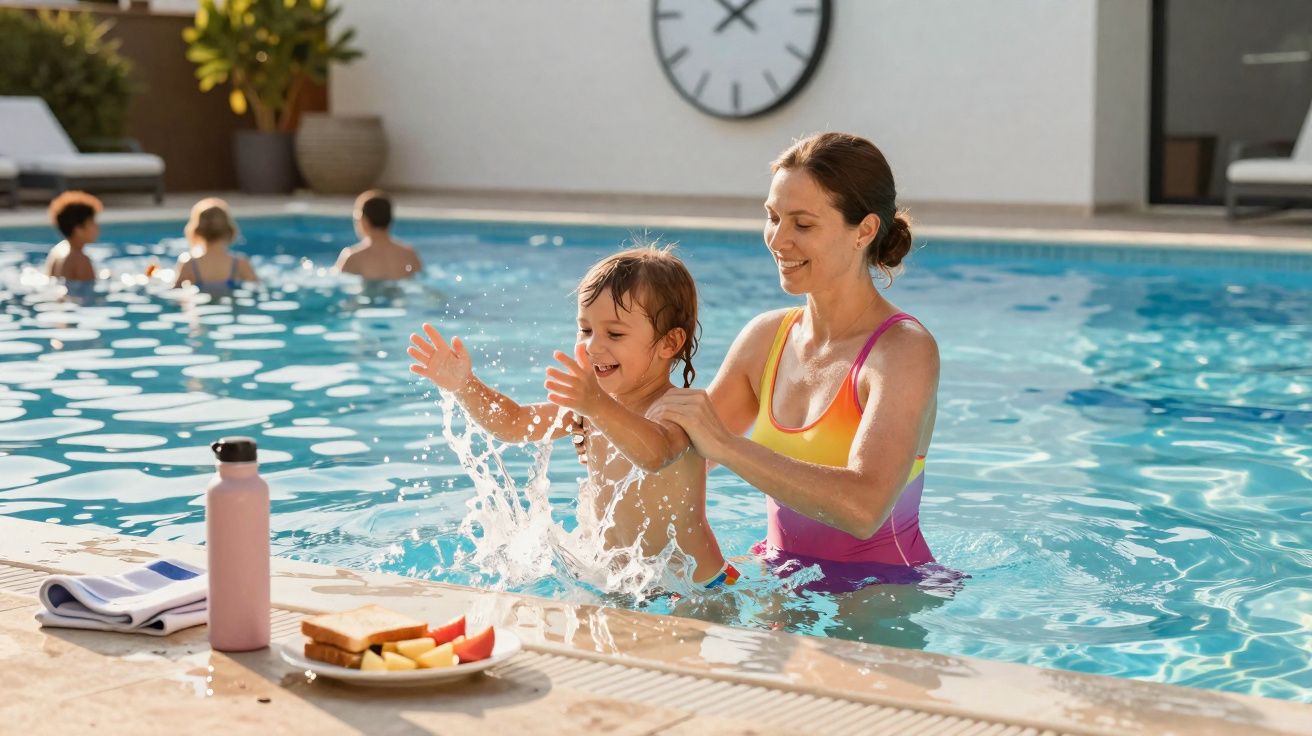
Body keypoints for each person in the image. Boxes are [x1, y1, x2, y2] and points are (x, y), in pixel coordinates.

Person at [650, 132, 942, 591]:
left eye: (803, 225)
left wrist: (726, 445)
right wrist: (599, 412)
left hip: (883, 591)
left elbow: (865, 509)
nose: (779, 240)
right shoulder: (766, 338)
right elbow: (673, 456)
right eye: (772, 218)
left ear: (864, 231)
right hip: (778, 576)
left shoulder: (902, 351)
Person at [408, 246, 736, 589]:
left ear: (669, 343)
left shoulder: (681, 410)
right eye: (585, 330)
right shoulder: (590, 405)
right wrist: (465, 385)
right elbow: (515, 423)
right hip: (620, 583)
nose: (594, 346)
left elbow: (655, 454)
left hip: (697, 590)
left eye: (615, 334)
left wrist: (595, 405)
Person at [334, 190, 423, 281]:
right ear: (389, 219)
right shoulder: (409, 254)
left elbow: (338, 284)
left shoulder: (353, 257)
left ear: (364, 220)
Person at [174, 198, 258, 291]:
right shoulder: (241, 263)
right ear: (230, 230)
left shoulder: (188, 263)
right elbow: (257, 288)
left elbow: (175, 291)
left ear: (196, 231)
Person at [45, 191, 102, 283]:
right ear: (78, 230)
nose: (97, 227)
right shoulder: (81, 259)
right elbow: (88, 294)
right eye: (92, 223)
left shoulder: (58, 250)